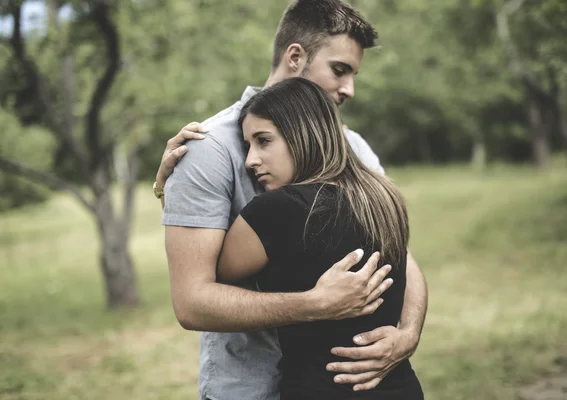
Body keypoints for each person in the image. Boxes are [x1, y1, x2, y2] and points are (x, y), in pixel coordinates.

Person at [159, 1, 428, 399]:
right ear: (296, 57)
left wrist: (406, 335)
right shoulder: (207, 149)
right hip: (248, 388)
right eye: (340, 70)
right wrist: (317, 304)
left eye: (353, 74)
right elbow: (193, 300)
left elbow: (401, 257)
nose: (349, 89)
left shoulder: (352, 147)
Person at [216, 76, 423, 399]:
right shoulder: (383, 197)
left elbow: (210, 271)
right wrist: (409, 333)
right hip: (400, 389)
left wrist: (168, 191)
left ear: (302, 133)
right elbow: (410, 265)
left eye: (263, 140)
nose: (250, 160)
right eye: (247, 145)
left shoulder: (276, 210)